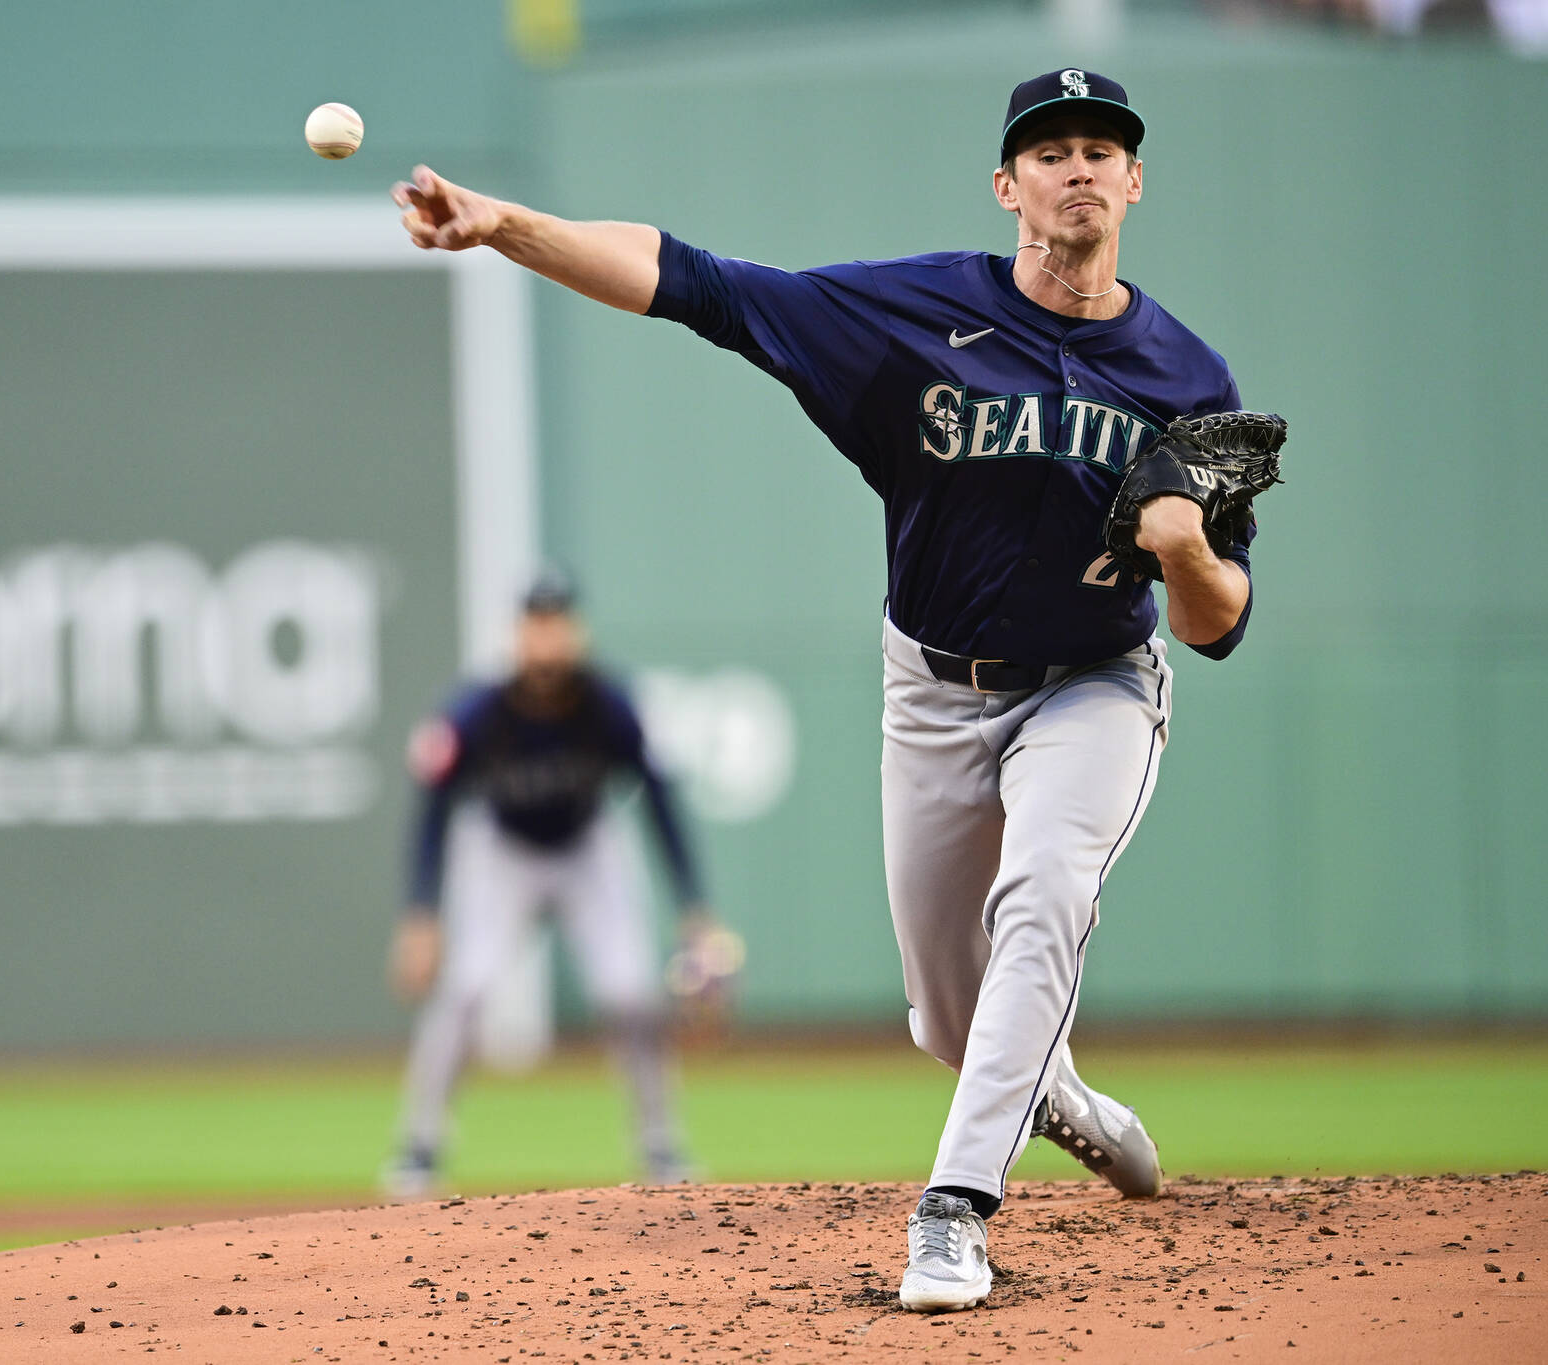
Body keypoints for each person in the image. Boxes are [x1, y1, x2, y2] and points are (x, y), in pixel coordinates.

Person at [391, 68, 1262, 1309]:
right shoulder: (913, 316)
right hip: (934, 694)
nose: (1077, 168)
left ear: (1132, 181)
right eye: (1049, 150)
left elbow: (1217, 621)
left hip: (1095, 685)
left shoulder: (1184, 374)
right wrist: (508, 228)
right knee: (949, 1027)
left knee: (1043, 892)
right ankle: (1054, 1093)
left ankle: (952, 1210)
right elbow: (695, 282)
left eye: (1100, 150)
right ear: (1006, 185)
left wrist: (1185, 550)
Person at [383, 571, 716, 1197]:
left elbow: (661, 801)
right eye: (536, 623)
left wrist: (694, 906)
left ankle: (661, 1145)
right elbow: (432, 808)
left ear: (576, 631)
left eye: (558, 622)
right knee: (466, 990)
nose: (547, 636)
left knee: (631, 993)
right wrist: (420, 914)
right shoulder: (475, 712)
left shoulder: (610, 705)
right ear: (517, 634)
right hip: (499, 850)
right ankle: (419, 1146)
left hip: (587, 846)